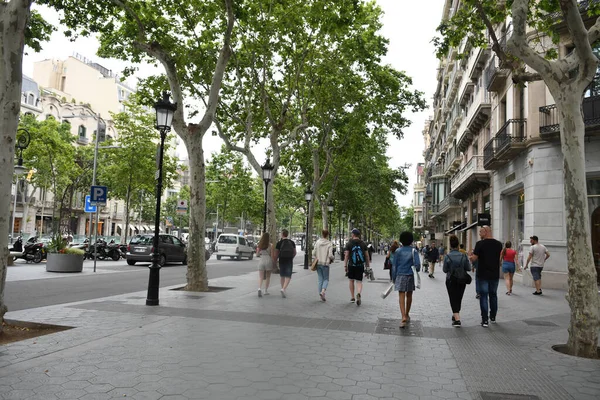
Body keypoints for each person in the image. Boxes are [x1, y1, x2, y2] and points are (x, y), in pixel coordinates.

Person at [469, 226, 503, 327]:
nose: (479, 234)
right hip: (494, 274)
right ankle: (493, 316)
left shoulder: (480, 244)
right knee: (493, 295)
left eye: (480, 232)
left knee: (483, 296)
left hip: (483, 274)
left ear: (486, 231)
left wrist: (470, 257)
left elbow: (474, 259)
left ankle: (484, 320)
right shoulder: (498, 244)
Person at [392, 232, 420, 328]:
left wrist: (393, 277)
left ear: (401, 240)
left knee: (401, 295)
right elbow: (418, 265)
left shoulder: (398, 251)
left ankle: (403, 316)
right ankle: (407, 314)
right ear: (411, 240)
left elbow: (394, 266)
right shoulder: (414, 251)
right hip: (410, 275)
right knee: (409, 295)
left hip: (400, 275)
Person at [443, 235, 471, 327]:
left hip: (451, 280)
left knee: (452, 297)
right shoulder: (464, 256)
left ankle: (457, 319)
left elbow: (445, 270)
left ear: (450, 245)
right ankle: (456, 314)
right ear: (458, 245)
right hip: (462, 279)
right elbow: (468, 268)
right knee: (459, 297)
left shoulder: (447, 256)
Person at [344, 228, 369, 305]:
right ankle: (358, 293)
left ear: (353, 234)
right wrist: (367, 266)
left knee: (351, 280)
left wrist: (345, 265)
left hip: (351, 264)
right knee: (359, 281)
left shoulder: (349, 243)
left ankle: (352, 297)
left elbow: (347, 255)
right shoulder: (363, 243)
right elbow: (367, 256)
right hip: (360, 265)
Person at [273, 229, 296, 298]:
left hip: (282, 260)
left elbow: (276, 253)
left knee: (282, 275)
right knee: (288, 276)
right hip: (289, 260)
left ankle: (282, 288)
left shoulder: (279, 243)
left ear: (282, 234)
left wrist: (275, 261)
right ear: (287, 234)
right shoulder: (292, 242)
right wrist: (291, 257)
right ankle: (283, 289)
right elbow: (295, 252)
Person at [312, 229, 334, 301]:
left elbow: (313, 253)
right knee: (326, 279)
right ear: (327, 235)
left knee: (320, 279)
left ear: (322, 234)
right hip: (325, 264)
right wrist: (332, 258)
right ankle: (323, 291)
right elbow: (330, 255)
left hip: (318, 263)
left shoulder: (317, 242)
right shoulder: (329, 243)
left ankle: (321, 294)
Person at [256, 233, 273, 297]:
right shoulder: (270, 245)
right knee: (268, 277)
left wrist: (260, 253)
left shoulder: (259, 245)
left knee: (261, 277)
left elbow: (257, 254)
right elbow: (272, 255)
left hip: (262, 260)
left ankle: (259, 288)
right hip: (268, 260)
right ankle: (266, 290)